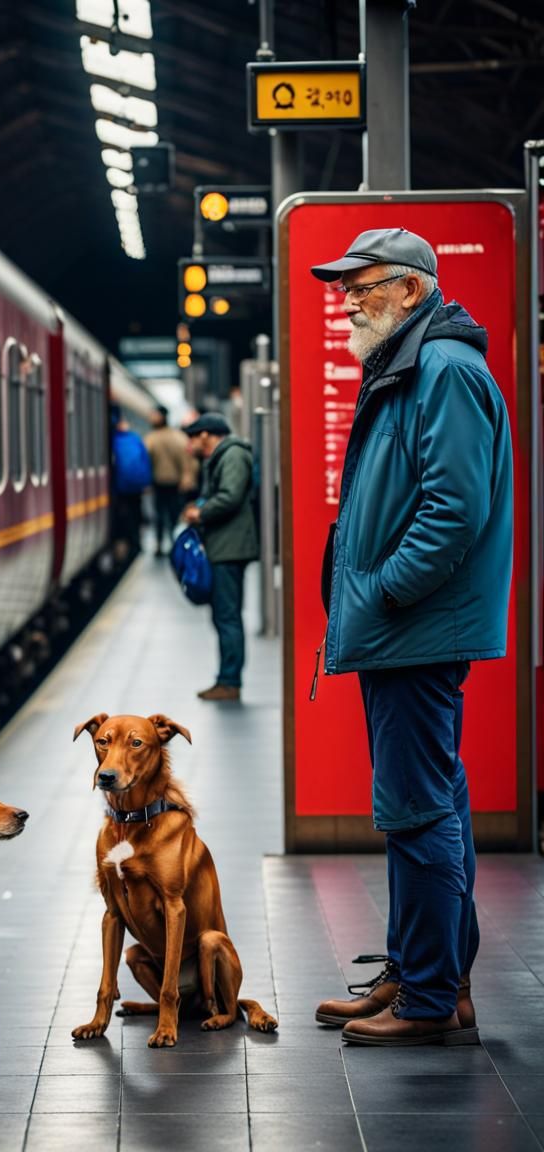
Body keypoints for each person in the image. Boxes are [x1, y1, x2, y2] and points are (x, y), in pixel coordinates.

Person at [309, 227, 513, 1045]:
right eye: (345, 286)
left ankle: (429, 998)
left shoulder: (444, 372)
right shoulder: (409, 366)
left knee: (417, 810)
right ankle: (422, 972)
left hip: (416, 630)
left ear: (415, 289)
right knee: (429, 805)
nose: (347, 298)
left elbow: (453, 510)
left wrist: (387, 591)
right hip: (406, 629)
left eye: (365, 284)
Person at [181, 412, 258, 702]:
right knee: (224, 615)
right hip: (224, 545)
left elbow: (230, 496)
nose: (189, 445)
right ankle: (226, 678)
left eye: (192, 437)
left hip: (230, 547)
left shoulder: (233, 455)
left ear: (205, 435)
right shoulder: (221, 457)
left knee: (227, 616)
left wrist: (201, 512)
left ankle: (230, 681)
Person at [144, 405, 188, 556]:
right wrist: (185, 479)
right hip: (176, 483)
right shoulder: (179, 437)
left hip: (158, 482)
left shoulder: (151, 438)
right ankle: (175, 542)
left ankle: (159, 544)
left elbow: (145, 460)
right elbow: (186, 461)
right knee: (174, 514)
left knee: (159, 514)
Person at [110, 405, 151, 560]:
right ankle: (136, 544)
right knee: (136, 514)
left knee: (123, 516)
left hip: (120, 487)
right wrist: (146, 482)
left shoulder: (113, 440)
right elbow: (145, 461)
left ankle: (125, 545)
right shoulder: (135, 438)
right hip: (136, 487)